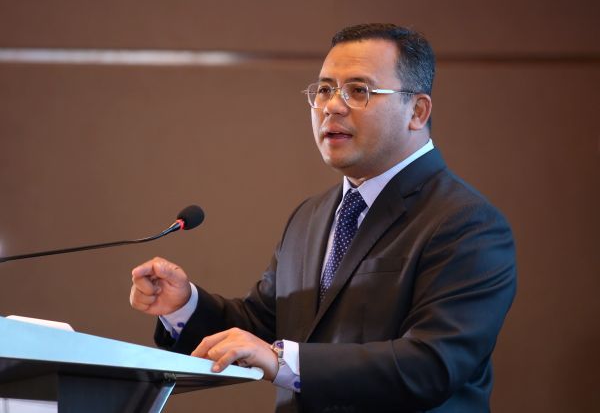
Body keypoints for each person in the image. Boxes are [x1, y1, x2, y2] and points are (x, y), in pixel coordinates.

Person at [130, 23, 516, 413]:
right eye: (325, 89)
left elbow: (432, 364)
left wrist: (283, 361)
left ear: (416, 112)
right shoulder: (310, 216)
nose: (332, 106)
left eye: (359, 91)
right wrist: (183, 306)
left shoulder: (466, 223)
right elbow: (262, 327)